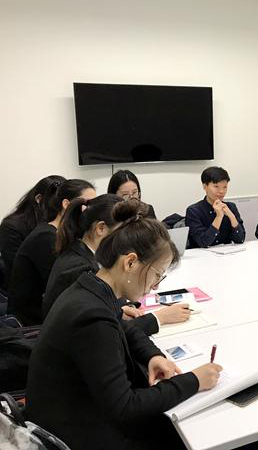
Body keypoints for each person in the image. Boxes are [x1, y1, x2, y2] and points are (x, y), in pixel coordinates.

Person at [26, 208, 222, 450]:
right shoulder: (92, 318)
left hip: (68, 415)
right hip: (75, 433)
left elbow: (124, 328)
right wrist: (194, 381)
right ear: (130, 262)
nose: (155, 286)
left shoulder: (90, 287)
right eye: (157, 275)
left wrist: (153, 356)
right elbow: (125, 407)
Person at [42, 195, 190, 331]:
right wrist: (157, 318)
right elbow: (102, 327)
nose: (125, 238)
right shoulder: (80, 268)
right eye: (122, 232)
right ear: (101, 228)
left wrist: (120, 309)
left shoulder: (82, 254)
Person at [7, 179, 96, 325]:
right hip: (32, 321)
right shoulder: (46, 237)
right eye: (87, 204)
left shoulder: (63, 234)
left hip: (52, 313)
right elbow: (68, 285)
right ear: (66, 204)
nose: (92, 211)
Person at [0, 175, 66, 288]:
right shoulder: (12, 226)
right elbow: (18, 271)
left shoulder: (61, 222)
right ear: (39, 199)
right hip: (26, 289)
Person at [186, 166, 246, 248]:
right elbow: (204, 242)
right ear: (205, 186)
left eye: (225, 187)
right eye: (216, 187)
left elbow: (240, 239)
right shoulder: (194, 211)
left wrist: (231, 216)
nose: (221, 191)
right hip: (201, 254)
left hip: (227, 253)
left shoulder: (230, 207)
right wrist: (219, 217)